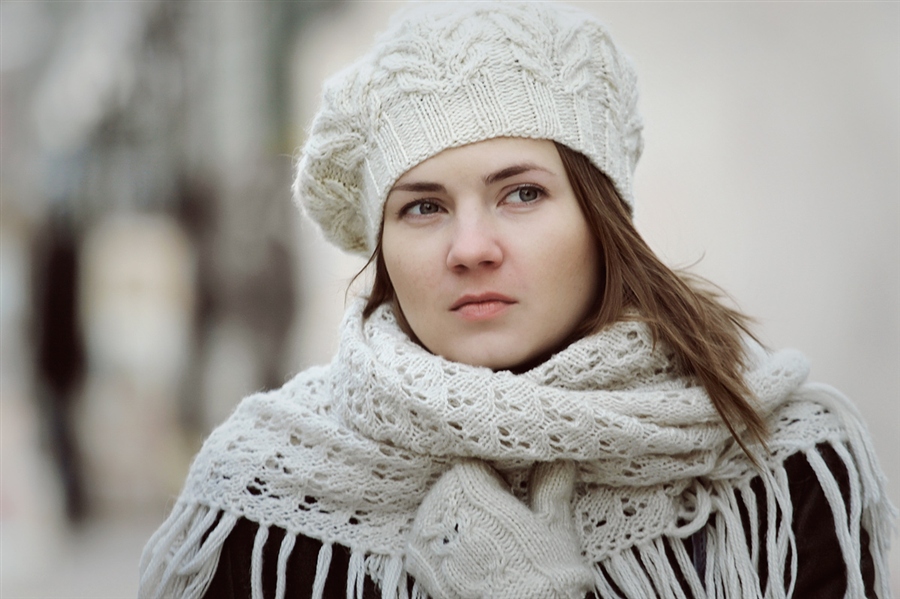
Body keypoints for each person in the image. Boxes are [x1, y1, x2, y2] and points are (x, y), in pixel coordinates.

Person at [139, 3, 894, 598]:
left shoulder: (778, 466)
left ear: (602, 221)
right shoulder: (265, 496)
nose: (471, 246)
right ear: (382, 248)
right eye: (423, 208)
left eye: (522, 193)